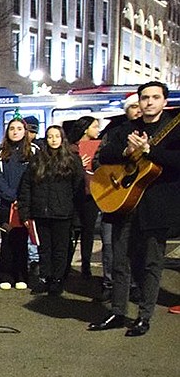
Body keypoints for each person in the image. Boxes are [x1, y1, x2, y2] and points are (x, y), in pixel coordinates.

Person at [88, 81, 180, 336]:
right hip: (124, 203)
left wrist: (150, 151)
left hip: (156, 206)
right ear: (138, 102)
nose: (149, 102)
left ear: (164, 101)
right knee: (120, 261)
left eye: (155, 97)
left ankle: (143, 317)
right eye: (145, 98)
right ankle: (117, 312)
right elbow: (104, 155)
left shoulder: (174, 128)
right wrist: (127, 150)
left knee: (151, 263)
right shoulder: (126, 127)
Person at [17, 125, 84, 296]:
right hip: (41, 212)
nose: (53, 139)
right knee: (44, 248)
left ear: (62, 138)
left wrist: (77, 217)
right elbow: (26, 186)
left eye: (56, 136)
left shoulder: (71, 160)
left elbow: (78, 189)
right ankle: (45, 278)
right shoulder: (37, 160)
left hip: (63, 212)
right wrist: (25, 212)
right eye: (49, 136)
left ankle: (58, 279)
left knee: (60, 248)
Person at [66, 115, 110, 285]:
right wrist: (78, 164)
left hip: (92, 193)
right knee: (72, 231)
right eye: (95, 126)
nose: (97, 129)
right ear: (85, 129)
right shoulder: (70, 149)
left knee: (88, 230)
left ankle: (86, 266)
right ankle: (66, 265)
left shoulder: (99, 147)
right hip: (74, 194)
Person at [0, 117, 33, 290]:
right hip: (4, 204)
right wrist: (11, 196)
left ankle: (21, 275)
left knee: (22, 239)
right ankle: (5, 275)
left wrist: (22, 198)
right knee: (7, 238)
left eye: (19, 129)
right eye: (12, 128)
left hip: (24, 202)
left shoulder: (34, 152)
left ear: (25, 131)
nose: (15, 132)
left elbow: (34, 177)